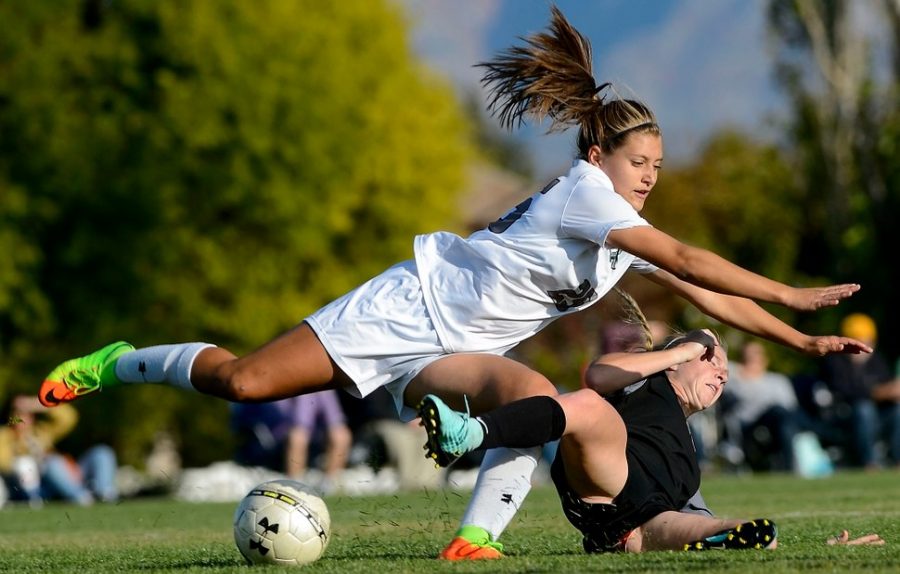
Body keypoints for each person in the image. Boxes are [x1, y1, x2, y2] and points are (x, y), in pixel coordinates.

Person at [39, 5, 867, 556]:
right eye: (637, 161)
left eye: (656, 164)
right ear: (596, 157)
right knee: (243, 380)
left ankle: (476, 543)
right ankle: (116, 362)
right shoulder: (588, 197)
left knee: (528, 394)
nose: (649, 175)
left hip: (464, 348)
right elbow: (688, 262)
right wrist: (789, 291)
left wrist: (799, 335)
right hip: (405, 309)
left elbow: (705, 294)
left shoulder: (621, 227)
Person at [418, 329, 883, 553]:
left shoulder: (688, 453)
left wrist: (825, 550)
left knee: (746, 529)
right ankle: (472, 432)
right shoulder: (646, 383)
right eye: (709, 358)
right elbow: (597, 374)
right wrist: (679, 350)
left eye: (724, 367)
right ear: (675, 360)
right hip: (609, 472)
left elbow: (698, 510)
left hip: (648, 516)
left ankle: (639, 542)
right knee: (589, 405)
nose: (721, 370)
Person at [723, 341, 833, 473]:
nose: (754, 358)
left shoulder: (777, 380)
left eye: (758, 354)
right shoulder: (734, 379)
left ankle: (790, 466)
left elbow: (790, 407)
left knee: (784, 419)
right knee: (780, 412)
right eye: (750, 354)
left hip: (780, 421)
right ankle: (823, 434)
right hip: (750, 424)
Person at [0, 395, 118, 506]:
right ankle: (82, 497)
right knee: (38, 464)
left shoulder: (41, 431)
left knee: (102, 452)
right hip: (38, 486)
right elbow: (4, 462)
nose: (21, 419)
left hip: (65, 474)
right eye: (17, 414)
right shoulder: (5, 436)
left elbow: (69, 417)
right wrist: (24, 454)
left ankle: (103, 492)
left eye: (26, 414)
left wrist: (35, 404)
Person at [820, 313, 900, 469]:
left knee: (897, 411)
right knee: (864, 409)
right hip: (845, 416)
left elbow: (886, 386)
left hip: (877, 414)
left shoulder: (877, 361)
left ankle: (898, 461)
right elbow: (841, 391)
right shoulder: (834, 361)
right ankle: (869, 463)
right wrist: (874, 393)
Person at [231, 390, 352, 491]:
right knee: (297, 436)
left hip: (312, 442)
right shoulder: (272, 387)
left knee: (341, 434)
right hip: (273, 445)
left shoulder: (323, 391)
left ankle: (328, 485)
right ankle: (294, 487)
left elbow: (335, 421)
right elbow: (298, 422)